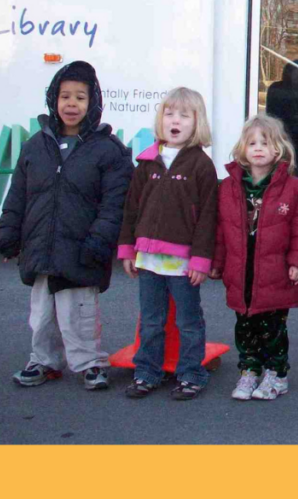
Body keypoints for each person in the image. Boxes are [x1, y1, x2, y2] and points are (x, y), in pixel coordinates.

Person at [0, 61, 134, 391]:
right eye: (65, 96)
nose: (72, 104)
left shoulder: (108, 150)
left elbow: (114, 204)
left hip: (82, 249)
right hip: (41, 247)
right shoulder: (36, 145)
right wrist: (7, 233)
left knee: (79, 315)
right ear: (53, 100)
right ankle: (44, 360)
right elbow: (18, 194)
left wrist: (100, 241)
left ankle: (91, 362)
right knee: (41, 315)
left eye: (81, 98)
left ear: (94, 102)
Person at [116, 87, 219, 401]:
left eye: (184, 115)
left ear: (196, 122)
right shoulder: (146, 162)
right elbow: (131, 209)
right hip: (147, 260)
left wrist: (201, 261)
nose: (175, 120)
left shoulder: (201, 165)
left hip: (183, 263)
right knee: (151, 320)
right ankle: (147, 372)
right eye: (169, 114)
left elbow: (207, 219)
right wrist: (127, 249)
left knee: (188, 321)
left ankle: (191, 374)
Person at [211, 115, 298, 401]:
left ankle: (276, 373)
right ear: (242, 149)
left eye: (265, 142)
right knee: (244, 326)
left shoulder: (294, 188)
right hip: (240, 272)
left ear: (278, 150)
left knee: (272, 328)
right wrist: (217, 263)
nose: (258, 148)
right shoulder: (229, 187)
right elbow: (221, 230)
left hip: (276, 274)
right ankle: (249, 370)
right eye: (252, 142)